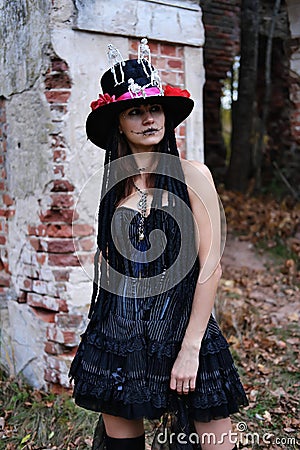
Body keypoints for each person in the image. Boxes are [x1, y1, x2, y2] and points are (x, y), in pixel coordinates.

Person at [69, 39, 248, 450]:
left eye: (155, 108)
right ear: (118, 122)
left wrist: (190, 348)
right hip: (121, 334)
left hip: (185, 328)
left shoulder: (193, 176)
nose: (149, 118)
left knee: (216, 444)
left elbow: (211, 267)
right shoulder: (116, 187)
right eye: (135, 110)